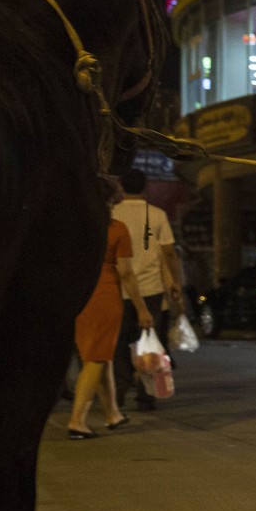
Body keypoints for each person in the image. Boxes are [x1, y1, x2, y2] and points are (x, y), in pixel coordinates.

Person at [69, 187, 153, 438]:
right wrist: (141, 308)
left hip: (79, 296)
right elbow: (126, 273)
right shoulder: (116, 229)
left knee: (100, 354)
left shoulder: (75, 229)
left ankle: (112, 412)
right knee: (95, 358)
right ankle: (77, 420)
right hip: (105, 296)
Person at [112, 169, 185, 411]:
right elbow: (169, 253)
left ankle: (119, 390)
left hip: (118, 288)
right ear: (145, 188)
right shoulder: (157, 215)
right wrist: (175, 282)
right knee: (149, 340)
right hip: (151, 288)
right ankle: (146, 395)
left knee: (119, 341)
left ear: (121, 187)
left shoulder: (111, 214)